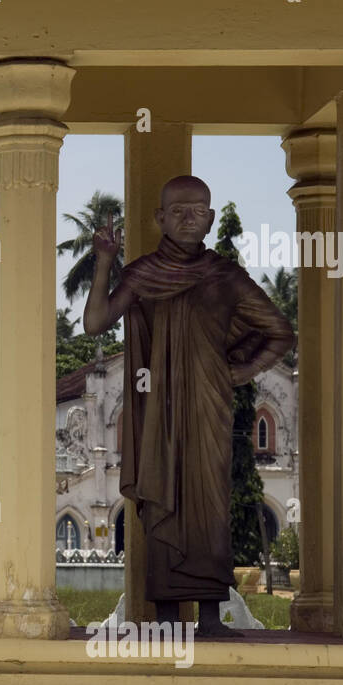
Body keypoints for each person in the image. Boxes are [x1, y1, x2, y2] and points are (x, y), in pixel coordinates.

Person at [83, 176, 295, 636]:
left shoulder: (225, 276)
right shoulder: (142, 274)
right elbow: (96, 322)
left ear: (211, 219)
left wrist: (238, 372)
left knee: (208, 505)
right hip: (158, 409)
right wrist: (104, 262)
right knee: (163, 498)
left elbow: (280, 332)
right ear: (159, 218)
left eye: (197, 211)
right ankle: (163, 615)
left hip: (208, 408)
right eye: (177, 211)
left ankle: (211, 614)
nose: (187, 219)